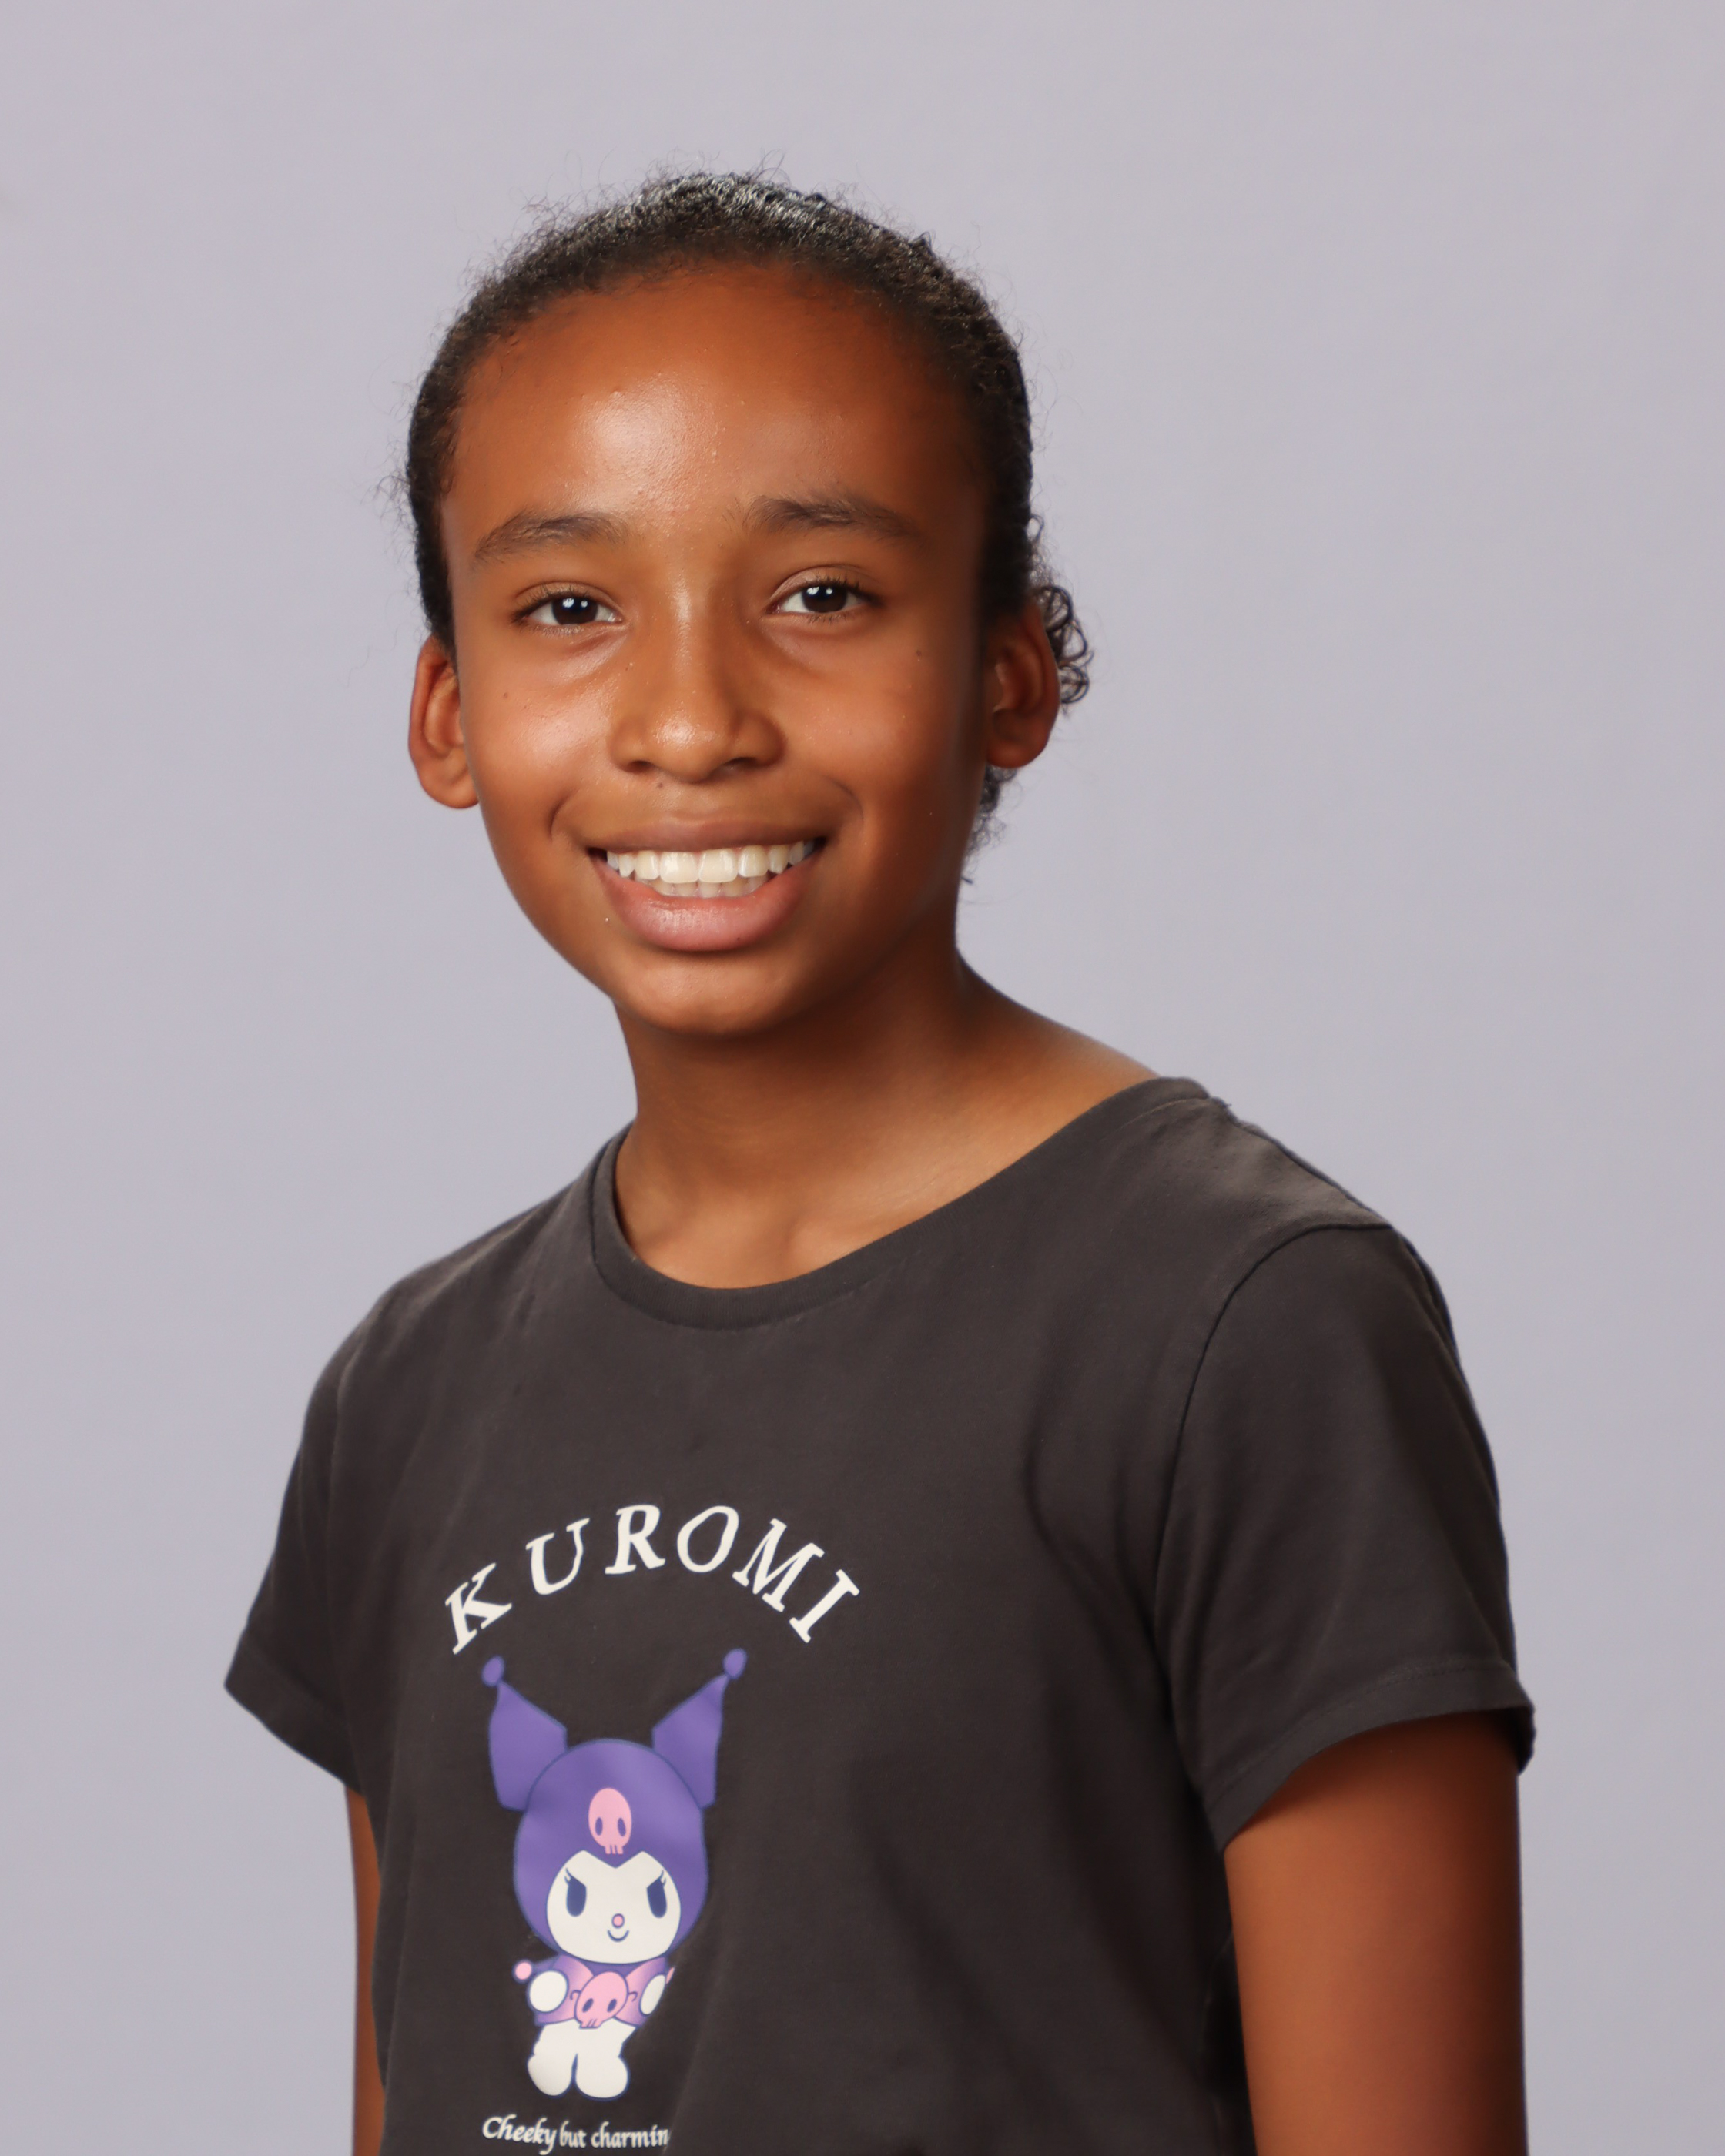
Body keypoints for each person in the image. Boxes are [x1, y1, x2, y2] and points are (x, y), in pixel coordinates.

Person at [227, 173, 1533, 2156]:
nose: (689, 721)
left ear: (1011, 674)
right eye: (569, 608)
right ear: (448, 711)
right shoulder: (406, 1392)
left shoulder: (1241, 1326)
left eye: (822, 595)